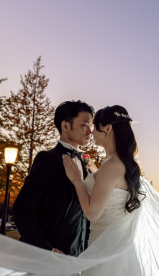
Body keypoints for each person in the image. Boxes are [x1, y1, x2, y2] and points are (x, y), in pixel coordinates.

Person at [11, 100, 95, 256]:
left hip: (80, 258)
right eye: (84, 125)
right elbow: (22, 209)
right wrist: (46, 250)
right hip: (48, 259)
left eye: (91, 125)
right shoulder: (48, 159)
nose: (90, 131)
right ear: (65, 126)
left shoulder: (86, 165)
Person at [61, 105, 143, 245]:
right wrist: (93, 169)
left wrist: (77, 180)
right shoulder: (122, 162)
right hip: (117, 245)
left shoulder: (111, 165)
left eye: (95, 126)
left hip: (104, 247)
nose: (91, 132)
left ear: (108, 129)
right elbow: (111, 188)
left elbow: (92, 213)